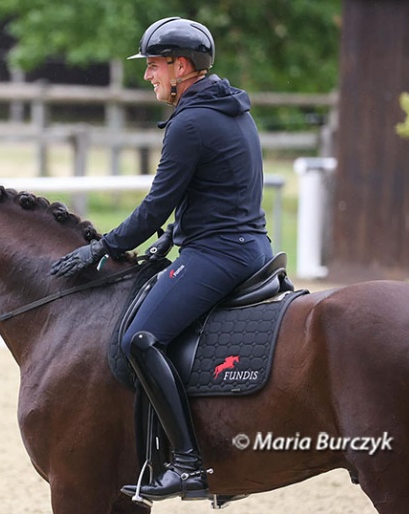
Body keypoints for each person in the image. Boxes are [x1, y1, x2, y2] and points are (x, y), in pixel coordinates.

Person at [50, 17, 274, 502]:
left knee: (140, 337)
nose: (148, 76)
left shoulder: (191, 121)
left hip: (219, 254)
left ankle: (189, 464)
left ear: (180, 66)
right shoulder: (229, 108)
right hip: (246, 244)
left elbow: (156, 204)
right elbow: (215, 192)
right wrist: (173, 236)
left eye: (153, 66)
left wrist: (102, 246)